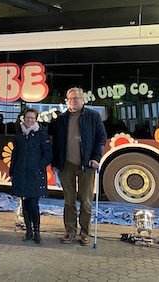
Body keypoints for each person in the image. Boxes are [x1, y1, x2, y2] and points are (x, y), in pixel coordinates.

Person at [51, 87, 107, 246]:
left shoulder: (93, 117)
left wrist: (96, 158)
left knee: (86, 201)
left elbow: (101, 138)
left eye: (76, 98)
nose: (73, 101)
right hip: (66, 165)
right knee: (69, 201)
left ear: (82, 100)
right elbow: (56, 143)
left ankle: (85, 233)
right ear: (67, 101)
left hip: (86, 166)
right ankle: (70, 232)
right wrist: (55, 162)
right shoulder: (61, 119)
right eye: (70, 99)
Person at [9, 108, 52, 244]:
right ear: (24, 119)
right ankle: (28, 231)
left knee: (34, 204)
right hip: (21, 174)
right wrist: (12, 172)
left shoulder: (42, 135)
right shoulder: (19, 136)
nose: (29, 120)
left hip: (35, 175)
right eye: (27, 117)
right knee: (25, 204)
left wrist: (39, 166)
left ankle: (37, 231)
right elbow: (14, 156)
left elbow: (48, 155)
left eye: (32, 118)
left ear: (36, 119)